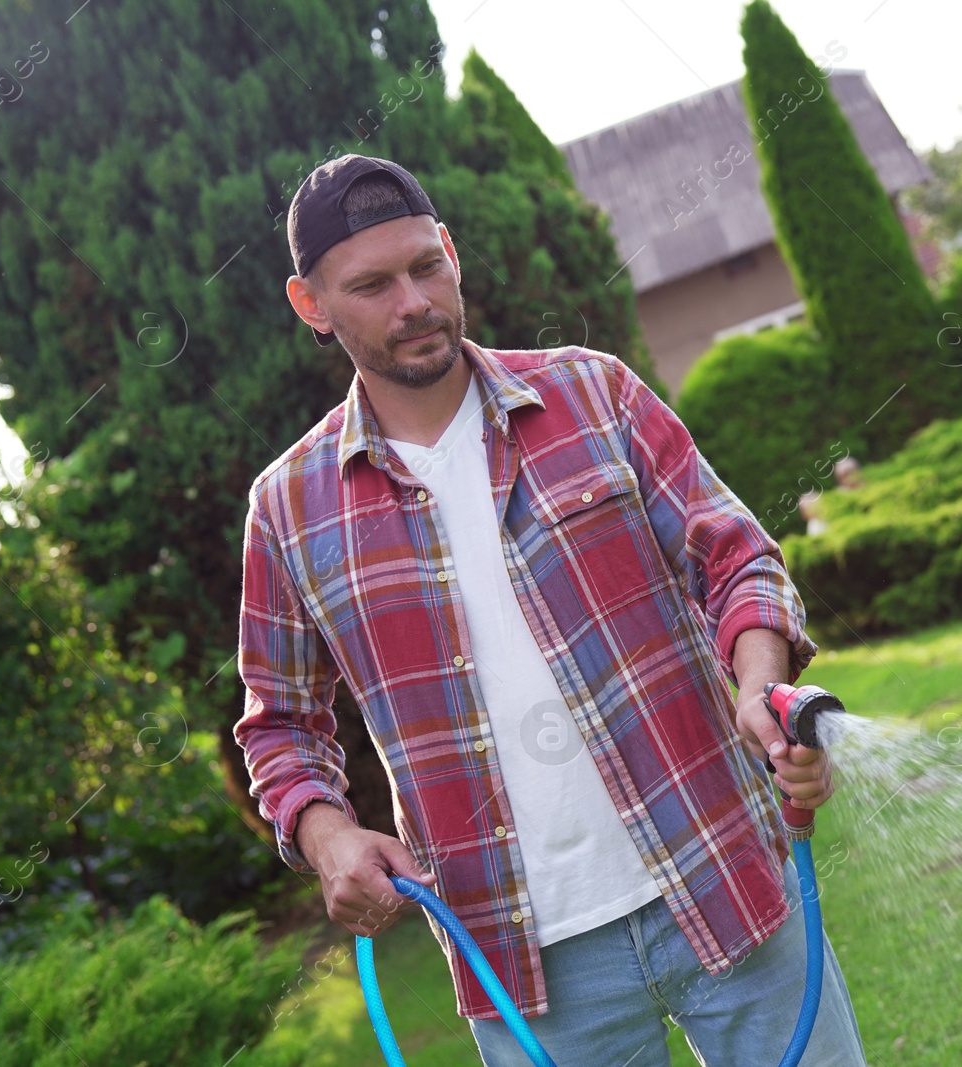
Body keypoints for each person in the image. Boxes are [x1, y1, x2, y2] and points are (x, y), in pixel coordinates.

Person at [233, 153, 870, 1066]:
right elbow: (279, 726)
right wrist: (328, 834)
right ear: (312, 305)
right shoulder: (290, 508)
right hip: (524, 966)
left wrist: (758, 686)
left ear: (451, 251)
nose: (412, 301)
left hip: (724, 869)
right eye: (371, 285)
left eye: (425, 266)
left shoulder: (592, 393)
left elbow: (736, 555)